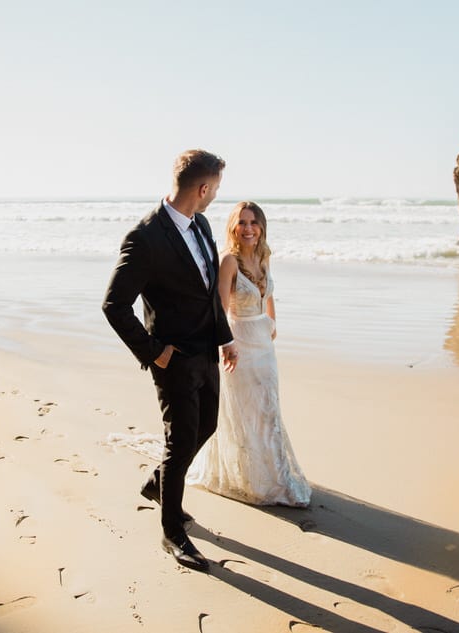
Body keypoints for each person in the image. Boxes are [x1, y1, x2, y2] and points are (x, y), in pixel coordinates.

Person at [102, 149, 238, 573]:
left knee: (207, 426)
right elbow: (114, 304)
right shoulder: (145, 238)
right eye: (215, 188)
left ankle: (157, 483)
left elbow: (207, 290)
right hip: (173, 359)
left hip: (206, 352)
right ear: (203, 188)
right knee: (179, 443)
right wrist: (154, 351)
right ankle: (172, 532)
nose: (216, 196)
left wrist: (224, 338)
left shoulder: (201, 223)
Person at [188, 201, 311, 507]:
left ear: (262, 227)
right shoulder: (228, 261)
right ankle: (247, 477)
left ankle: (275, 475)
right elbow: (219, 308)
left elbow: (268, 292)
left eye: (254, 222)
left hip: (264, 344)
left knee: (268, 409)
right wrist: (225, 344)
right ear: (233, 227)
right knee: (244, 411)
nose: (248, 228)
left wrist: (272, 321)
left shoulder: (263, 256)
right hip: (238, 342)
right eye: (242, 222)